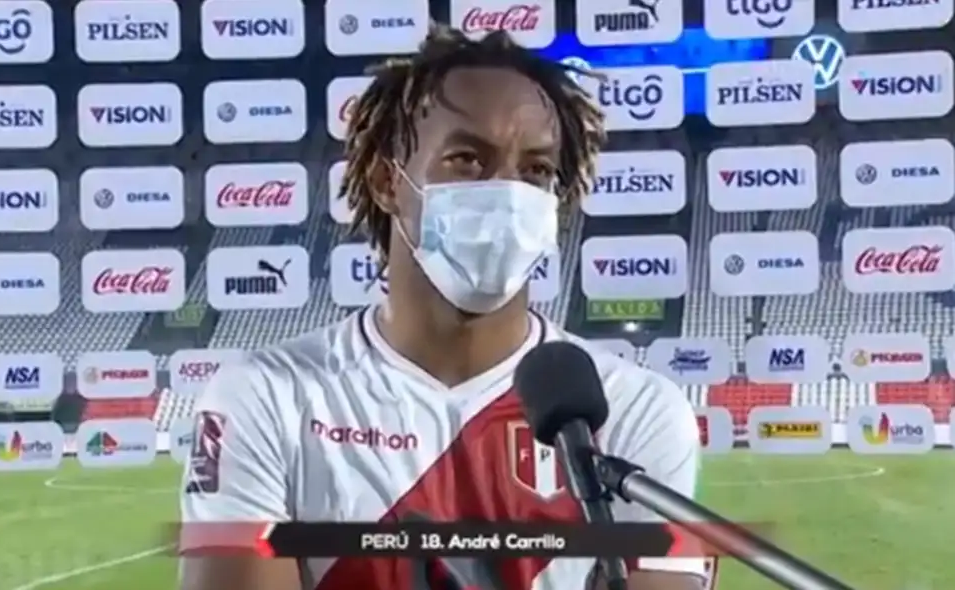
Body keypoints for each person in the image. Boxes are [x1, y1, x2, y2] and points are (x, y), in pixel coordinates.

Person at [179, 24, 706, 590]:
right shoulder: (266, 397)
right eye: (468, 159)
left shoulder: (636, 410)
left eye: (536, 171)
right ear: (387, 180)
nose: (506, 192)